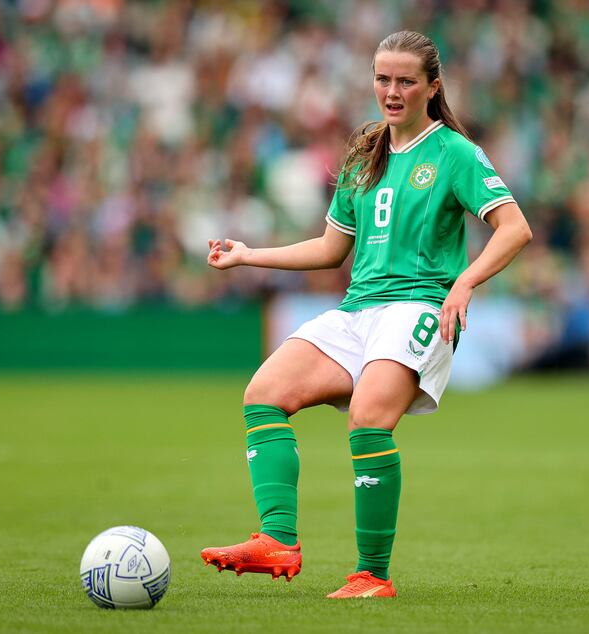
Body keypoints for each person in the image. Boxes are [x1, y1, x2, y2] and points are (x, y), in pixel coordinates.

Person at [201, 30, 532, 599]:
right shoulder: (363, 154)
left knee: (369, 419)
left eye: (406, 80)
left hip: (420, 307)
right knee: (264, 393)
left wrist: (465, 283)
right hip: (357, 310)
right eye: (383, 78)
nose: (392, 90)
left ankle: (372, 575)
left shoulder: (453, 152)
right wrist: (250, 254)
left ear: (432, 86)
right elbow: (332, 248)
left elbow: (515, 228)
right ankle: (277, 538)